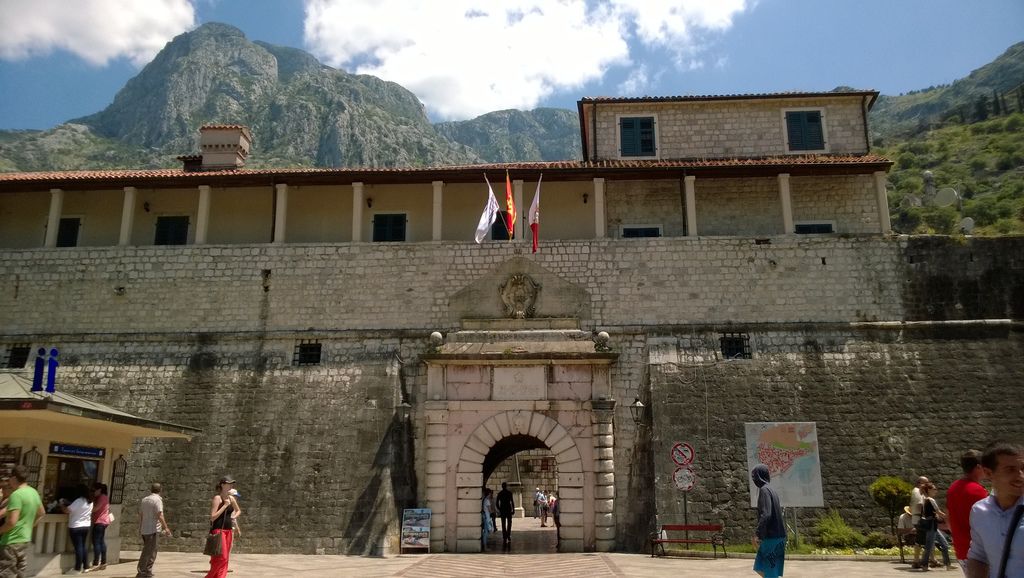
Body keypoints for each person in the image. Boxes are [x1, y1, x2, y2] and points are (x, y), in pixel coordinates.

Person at [967, 441, 1024, 578]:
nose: (1021, 476)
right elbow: (978, 557)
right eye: (1010, 470)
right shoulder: (979, 511)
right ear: (988, 472)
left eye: (1023, 468)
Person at [947, 450, 989, 574]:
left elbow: (948, 519)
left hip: (961, 549)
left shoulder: (953, 488)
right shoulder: (978, 491)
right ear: (978, 467)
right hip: (979, 552)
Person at [0, 465, 44, 578]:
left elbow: (11, 522)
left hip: (11, 541)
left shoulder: (16, 495)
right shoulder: (33, 492)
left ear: (14, 478)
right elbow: (41, 513)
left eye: (10, 477)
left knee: (6, 573)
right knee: (20, 572)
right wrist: (29, 526)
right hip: (24, 539)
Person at [751, 465, 786, 578]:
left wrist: (757, 533)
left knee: (770, 572)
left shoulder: (764, 490)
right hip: (778, 537)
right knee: (760, 566)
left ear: (760, 476)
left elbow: (766, 514)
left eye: (755, 476)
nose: (754, 479)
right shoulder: (771, 490)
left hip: (772, 538)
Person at [206, 476, 240, 578]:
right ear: (222, 485)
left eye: (231, 484)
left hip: (228, 531)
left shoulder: (231, 498)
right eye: (228, 483)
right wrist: (225, 506)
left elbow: (238, 510)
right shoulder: (217, 498)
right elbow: (212, 517)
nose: (230, 485)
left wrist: (233, 517)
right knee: (221, 558)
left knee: (225, 559)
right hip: (218, 530)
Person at [136, 482, 171, 578]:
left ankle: (147, 570)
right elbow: (160, 515)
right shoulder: (157, 500)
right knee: (149, 551)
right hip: (153, 529)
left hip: (145, 529)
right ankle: (142, 571)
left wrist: (140, 527)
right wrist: (166, 527)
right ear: (160, 490)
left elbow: (141, 515)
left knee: (151, 551)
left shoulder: (144, 500)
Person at [920, 482, 953, 571]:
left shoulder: (926, 500)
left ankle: (948, 565)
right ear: (929, 490)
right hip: (931, 526)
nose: (936, 491)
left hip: (933, 526)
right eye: (934, 489)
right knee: (929, 546)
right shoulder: (930, 499)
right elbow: (938, 512)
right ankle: (924, 565)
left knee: (944, 544)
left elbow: (934, 513)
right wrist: (949, 517)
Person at [62, 484, 93, 574]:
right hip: (86, 526)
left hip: (76, 526)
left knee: (78, 547)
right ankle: (86, 566)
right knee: (83, 546)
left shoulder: (79, 501)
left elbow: (67, 510)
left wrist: (61, 506)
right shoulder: (90, 502)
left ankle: (77, 567)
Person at [89, 483, 112, 573]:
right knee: (101, 541)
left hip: (100, 522)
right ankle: (103, 561)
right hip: (103, 522)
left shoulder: (102, 497)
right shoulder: (104, 497)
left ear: (99, 490)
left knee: (96, 542)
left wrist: (86, 507)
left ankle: (96, 563)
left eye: (94, 490)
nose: (93, 492)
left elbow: (96, 509)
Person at [911, 475, 930, 569]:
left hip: (918, 518)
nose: (927, 485)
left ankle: (916, 560)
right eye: (925, 483)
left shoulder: (918, 491)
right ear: (919, 483)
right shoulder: (917, 491)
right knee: (924, 540)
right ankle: (919, 561)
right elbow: (919, 505)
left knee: (919, 540)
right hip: (919, 519)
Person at [495, 482, 514, 547]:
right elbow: (512, 502)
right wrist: (513, 509)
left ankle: (504, 536)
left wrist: (499, 509)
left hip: (503, 510)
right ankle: (508, 535)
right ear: (506, 486)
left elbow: (497, 503)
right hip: (508, 510)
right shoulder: (509, 493)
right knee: (509, 523)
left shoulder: (500, 494)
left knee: (503, 524)